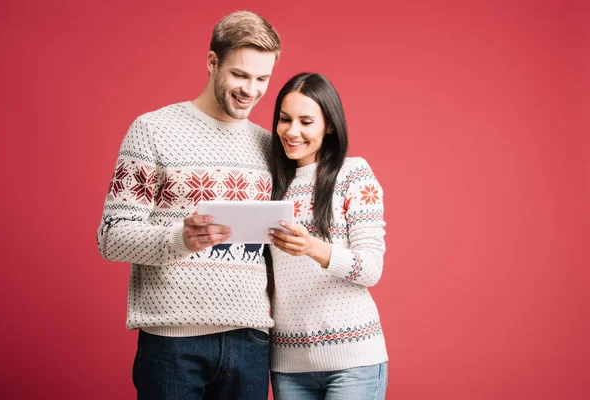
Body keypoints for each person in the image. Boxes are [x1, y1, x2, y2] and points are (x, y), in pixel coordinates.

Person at [96, 11, 281, 400]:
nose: (252, 89)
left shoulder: (269, 145)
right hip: (172, 342)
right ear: (212, 62)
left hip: (250, 340)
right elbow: (111, 237)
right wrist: (179, 237)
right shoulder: (153, 129)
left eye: (262, 78)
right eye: (241, 75)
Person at [267, 73, 388, 399]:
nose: (292, 131)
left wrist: (312, 247)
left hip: (354, 362)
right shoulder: (271, 185)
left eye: (306, 121)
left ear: (329, 125)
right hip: (287, 365)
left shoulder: (354, 174)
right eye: (284, 119)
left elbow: (370, 268)